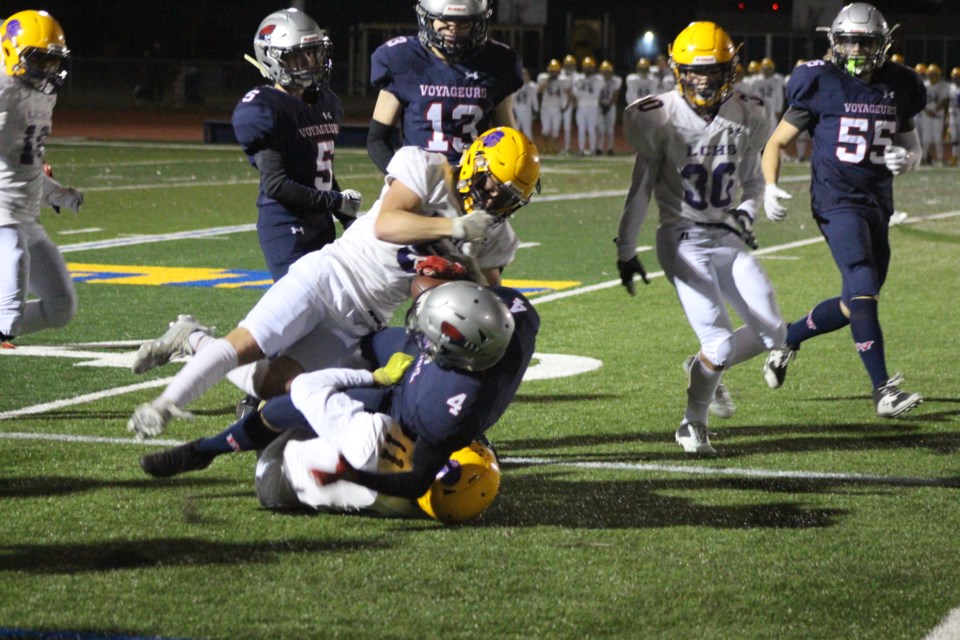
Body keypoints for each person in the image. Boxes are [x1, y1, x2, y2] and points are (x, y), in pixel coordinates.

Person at [127, 127, 541, 439]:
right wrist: (454, 226)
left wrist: (466, 269)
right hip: (329, 275)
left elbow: (484, 303)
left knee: (271, 386)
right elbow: (387, 224)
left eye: (508, 199)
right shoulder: (427, 167)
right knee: (247, 345)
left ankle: (192, 337)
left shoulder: (496, 236)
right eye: (492, 186)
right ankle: (164, 404)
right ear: (475, 162)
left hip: (362, 319)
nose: (493, 201)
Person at [139, 282, 539, 524]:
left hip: (398, 418)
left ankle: (206, 448)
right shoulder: (514, 316)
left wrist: (350, 474)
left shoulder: (446, 412)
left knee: (290, 412)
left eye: (432, 338)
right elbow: (489, 298)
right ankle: (214, 439)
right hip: (411, 379)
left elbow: (416, 479)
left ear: (455, 352)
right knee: (350, 353)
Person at [615, 21, 787, 455]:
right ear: (677, 69)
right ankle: (692, 423)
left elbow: (751, 184)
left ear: (731, 70)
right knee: (720, 341)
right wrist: (626, 249)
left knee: (775, 331)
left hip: (727, 236)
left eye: (713, 72)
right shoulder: (657, 114)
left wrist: (748, 213)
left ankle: (701, 368)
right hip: (681, 236)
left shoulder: (749, 111)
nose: (704, 81)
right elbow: (640, 191)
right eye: (695, 72)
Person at [761, 2, 925, 418]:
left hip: (877, 203)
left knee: (857, 302)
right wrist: (770, 186)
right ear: (834, 41)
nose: (854, 50)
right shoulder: (820, 81)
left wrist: (907, 160)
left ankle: (787, 339)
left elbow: (914, 146)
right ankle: (883, 391)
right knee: (863, 281)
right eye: (848, 40)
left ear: (882, 45)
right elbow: (777, 143)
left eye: (864, 41)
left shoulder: (900, 85)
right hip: (836, 202)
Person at [233, 8, 362, 282]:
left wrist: (346, 217)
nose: (310, 62)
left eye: (313, 52)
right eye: (298, 56)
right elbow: (277, 185)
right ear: (272, 59)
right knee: (301, 310)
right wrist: (336, 201)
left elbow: (320, 171)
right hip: (287, 226)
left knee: (330, 310)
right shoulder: (267, 108)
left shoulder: (324, 102)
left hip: (320, 223)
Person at [0, 10, 84, 348]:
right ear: (9, 50)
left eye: (51, 60)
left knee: (61, 307)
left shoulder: (43, 93)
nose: (46, 70)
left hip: (23, 216)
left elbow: (26, 161)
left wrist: (54, 193)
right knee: (9, 316)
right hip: (2, 219)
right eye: (37, 59)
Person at [366, 0, 522, 173]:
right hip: (418, 181)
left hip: (471, 182)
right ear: (427, 19)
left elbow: (507, 137)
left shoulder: (496, 62)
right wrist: (403, 179)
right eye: (445, 21)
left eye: (463, 23)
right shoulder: (403, 58)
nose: (453, 29)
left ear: (478, 22)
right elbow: (377, 139)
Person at [918, 63, 950, 166]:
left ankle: (940, 158)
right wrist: (927, 111)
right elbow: (920, 101)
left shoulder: (943, 85)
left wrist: (935, 111)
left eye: (935, 74)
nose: (933, 76)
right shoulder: (924, 85)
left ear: (939, 75)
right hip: (926, 115)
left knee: (937, 138)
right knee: (925, 138)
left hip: (937, 115)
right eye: (931, 74)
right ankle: (923, 158)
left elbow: (945, 100)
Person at [536, 59, 570, 155]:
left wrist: (566, 106)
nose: (554, 73)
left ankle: (553, 148)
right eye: (552, 71)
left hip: (556, 108)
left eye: (555, 71)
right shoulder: (544, 78)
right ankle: (545, 148)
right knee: (545, 129)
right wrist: (548, 81)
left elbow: (568, 94)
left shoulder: (563, 80)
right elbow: (539, 91)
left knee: (555, 130)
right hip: (546, 108)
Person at [571, 56, 602, 156]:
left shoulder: (598, 79)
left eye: (590, 67)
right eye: (586, 67)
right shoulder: (578, 78)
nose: (588, 69)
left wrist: (582, 93)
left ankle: (592, 150)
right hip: (582, 106)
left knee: (592, 129)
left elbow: (595, 94)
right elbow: (575, 92)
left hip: (593, 106)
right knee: (581, 129)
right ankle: (581, 149)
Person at [597, 60, 622, 156]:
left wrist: (609, 105)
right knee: (600, 129)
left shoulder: (616, 80)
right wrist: (601, 105)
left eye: (607, 71)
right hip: (600, 106)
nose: (606, 74)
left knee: (610, 129)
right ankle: (599, 148)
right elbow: (596, 94)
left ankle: (610, 148)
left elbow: (616, 95)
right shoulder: (598, 80)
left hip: (611, 106)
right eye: (604, 71)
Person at [512, 68, 539, 142]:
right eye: (522, 75)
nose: (524, 76)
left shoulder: (532, 86)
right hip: (516, 111)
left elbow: (534, 99)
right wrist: (512, 111)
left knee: (527, 131)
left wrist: (536, 110)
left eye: (525, 75)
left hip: (527, 111)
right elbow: (512, 100)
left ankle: (531, 150)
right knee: (514, 131)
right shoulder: (515, 86)